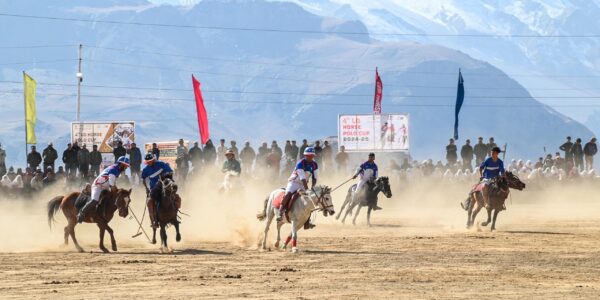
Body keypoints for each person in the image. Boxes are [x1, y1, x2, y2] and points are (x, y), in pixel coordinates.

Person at [77, 156, 130, 223]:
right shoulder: (114, 169)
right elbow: (112, 185)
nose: (126, 168)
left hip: (105, 186)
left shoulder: (117, 169)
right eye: (126, 166)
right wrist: (119, 192)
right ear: (122, 164)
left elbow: (113, 184)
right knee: (94, 200)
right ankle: (81, 213)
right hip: (98, 186)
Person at [278, 147, 318, 221]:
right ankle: (280, 212)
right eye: (308, 155)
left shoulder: (314, 164)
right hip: (294, 182)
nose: (310, 157)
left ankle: (307, 220)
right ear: (305, 155)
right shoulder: (300, 163)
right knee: (288, 194)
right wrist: (306, 190)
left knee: (308, 200)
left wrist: (313, 188)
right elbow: (302, 178)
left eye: (312, 156)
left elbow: (315, 178)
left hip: (303, 184)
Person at [141, 154, 174, 228]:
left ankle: (174, 216)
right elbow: (143, 179)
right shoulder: (146, 170)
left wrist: (167, 177)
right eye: (147, 162)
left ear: (153, 160)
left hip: (165, 187)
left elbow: (170, 171)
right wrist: (146, 188)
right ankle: (154, 220)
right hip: (153, 189)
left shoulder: (161, 164)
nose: (149, 163)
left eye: (150, 161)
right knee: (149, 202)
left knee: (176, 197)